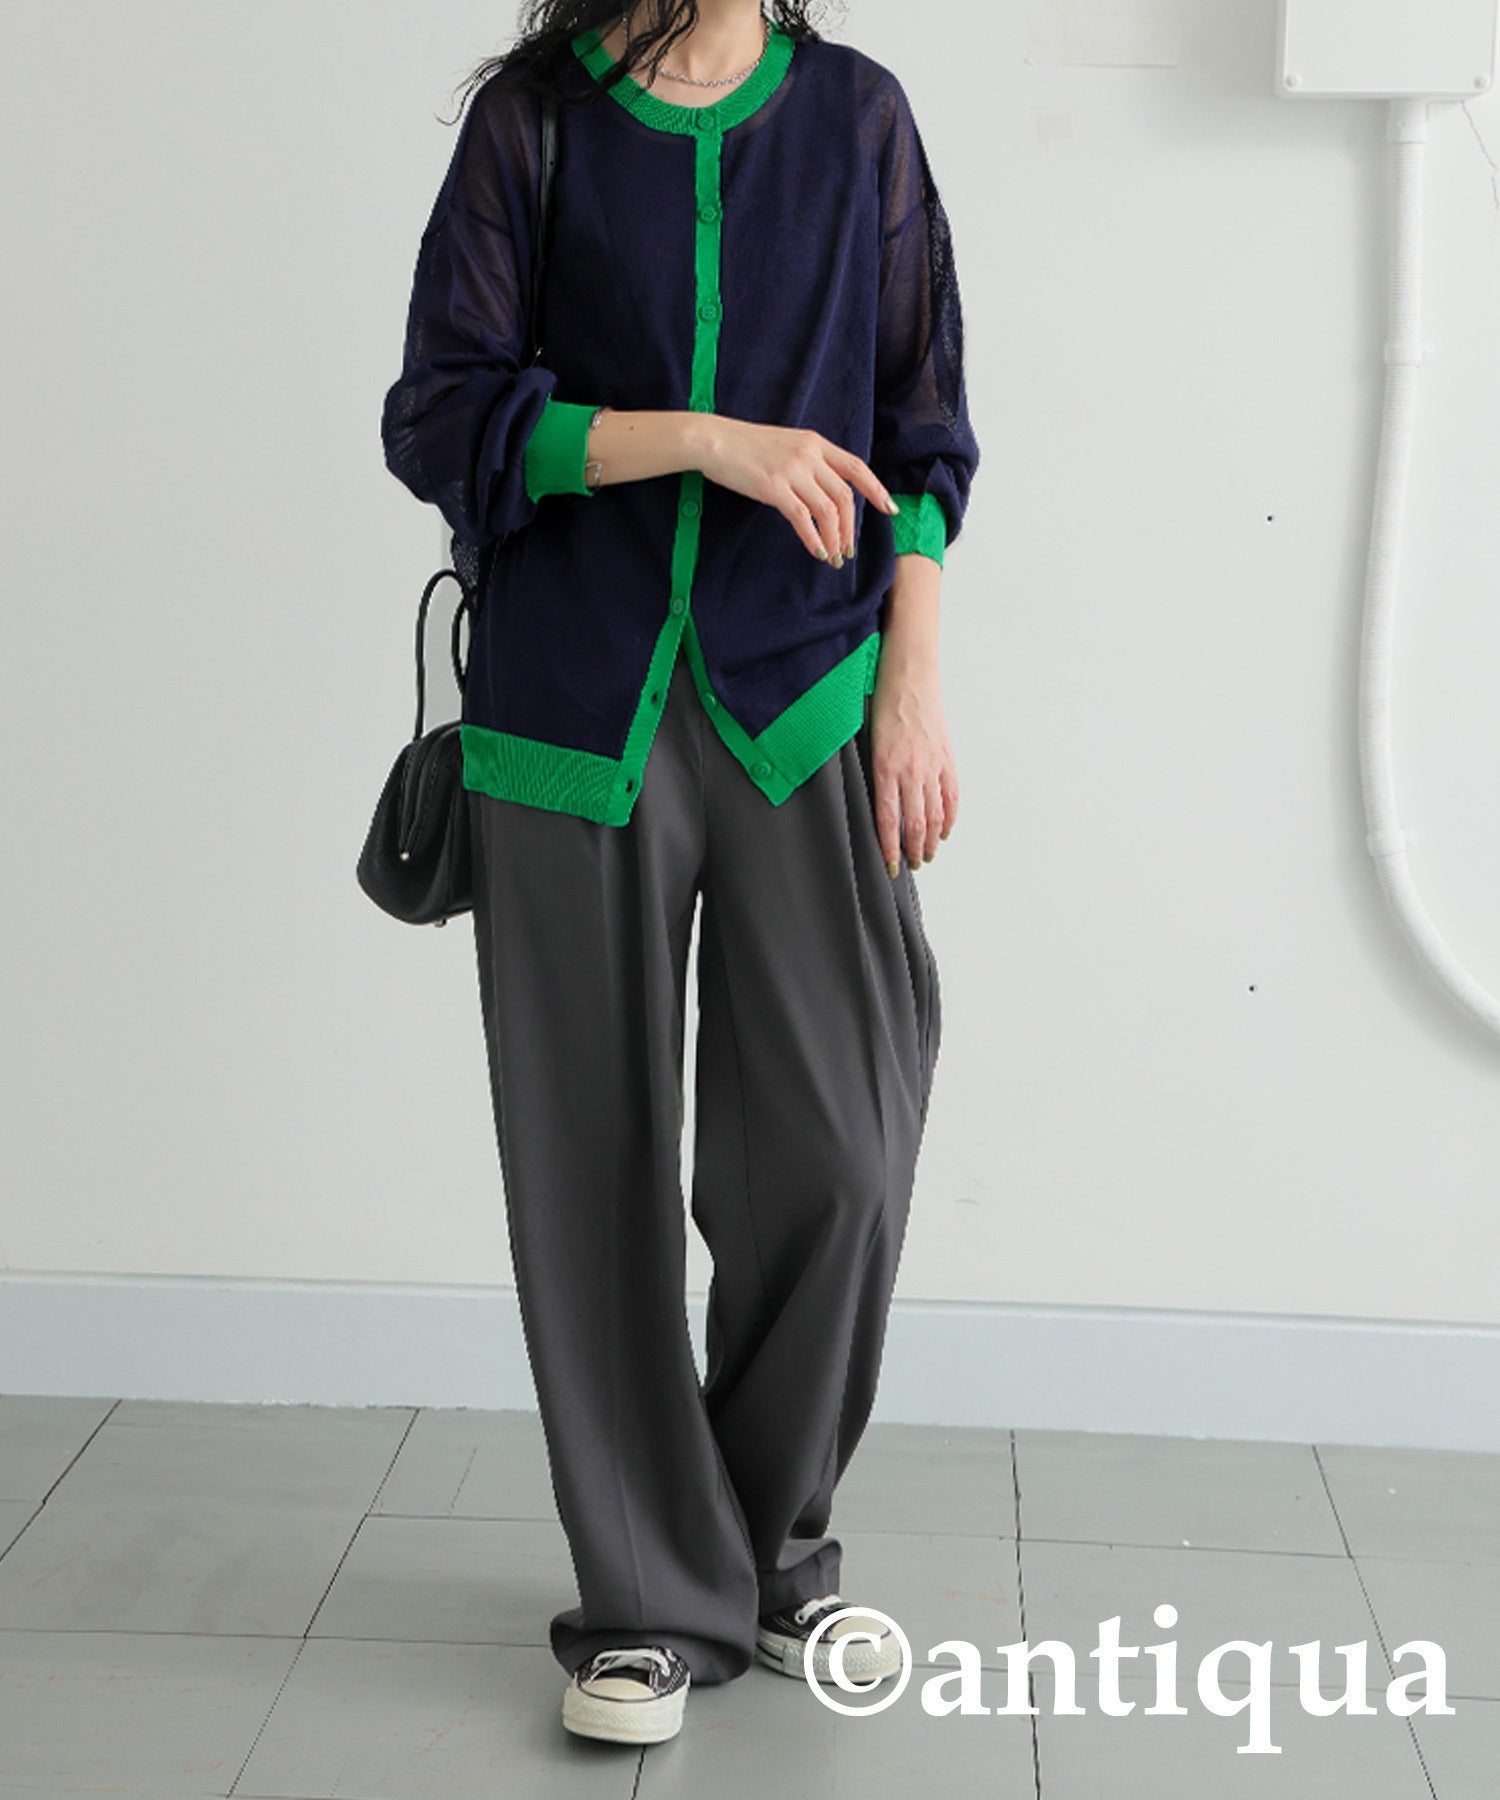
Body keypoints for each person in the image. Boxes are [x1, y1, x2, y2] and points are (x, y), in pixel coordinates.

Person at [380, 0, 980, 1747]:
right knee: (594, 1175)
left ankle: (767, 1545)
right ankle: (649, 1598)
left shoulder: (857, 118)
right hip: (574, 707)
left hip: (806, 698)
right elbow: (442, 418)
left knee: (842, 1152)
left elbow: (924, 433)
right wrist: (703, 437)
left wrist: (914, 687)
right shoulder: (535, 126)